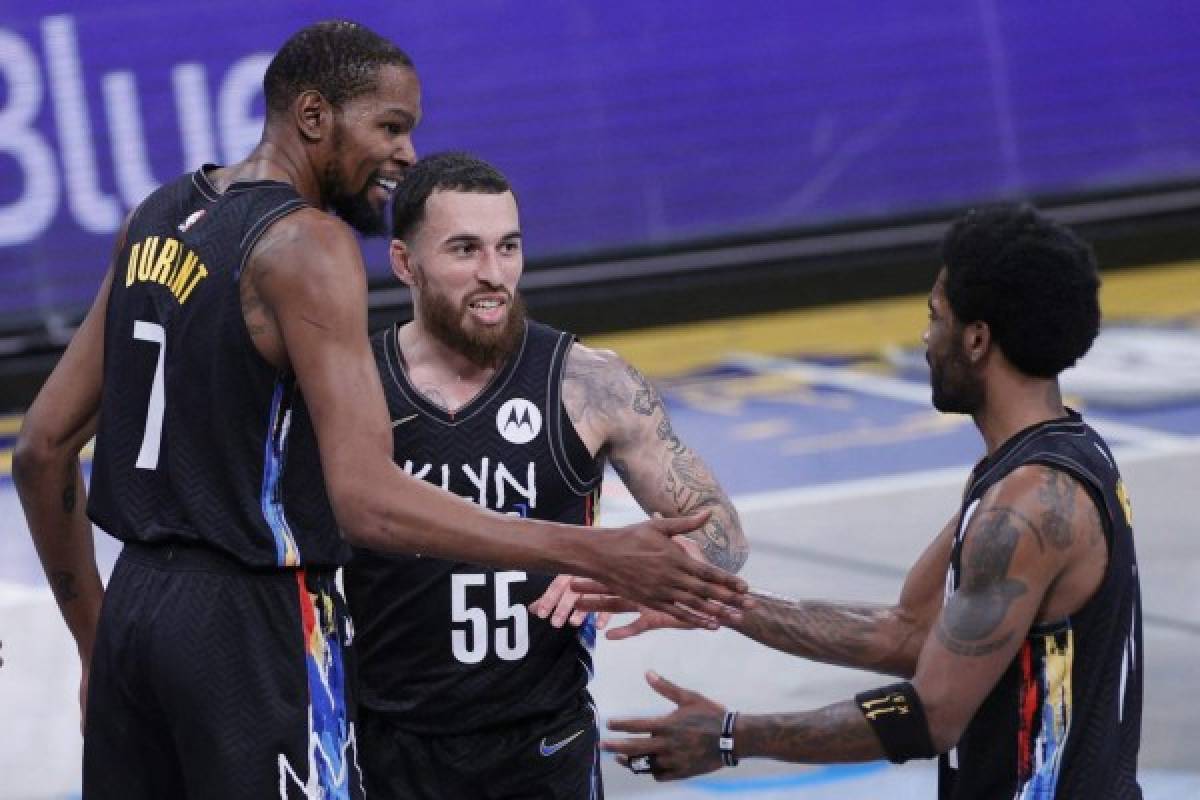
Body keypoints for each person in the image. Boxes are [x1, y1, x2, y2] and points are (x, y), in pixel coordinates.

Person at [11, 21, 749, 800]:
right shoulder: (309, 244)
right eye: (390, 127)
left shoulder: (154, 218)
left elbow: (41, 450)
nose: (405, 154)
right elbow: (365, 502)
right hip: (254, 621)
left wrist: (99, 646)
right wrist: (590, 550)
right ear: (314, 116)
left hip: (134, 613)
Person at [592, 205, 1142, 798]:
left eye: (936, 317)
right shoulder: (1045, 463)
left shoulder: (1028, 506)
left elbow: (932, 712)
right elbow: (905, 636)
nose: (927, 338)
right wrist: (714, 599)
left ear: (977, 339)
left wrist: (731, 736)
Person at [344, 152, 749, 798]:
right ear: (404, 264)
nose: (493, 275)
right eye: (465, 250)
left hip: (542, 748)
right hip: (387, 748)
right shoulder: (355, 388)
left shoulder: (589, 382)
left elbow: (723, 532)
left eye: (509, 247)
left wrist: (640, 575)